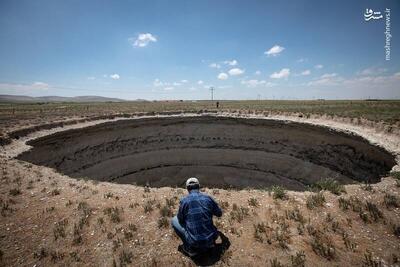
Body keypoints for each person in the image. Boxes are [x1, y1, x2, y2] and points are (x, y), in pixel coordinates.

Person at [171, 177, 222, 256]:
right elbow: (219, 214)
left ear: (187, 189)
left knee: (174, 220)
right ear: (199, 187)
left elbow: (180, 220)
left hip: (194, 242)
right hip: (211, 238)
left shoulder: (184, 201)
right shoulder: (208, 198)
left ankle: (190, 249)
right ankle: (209, 244)